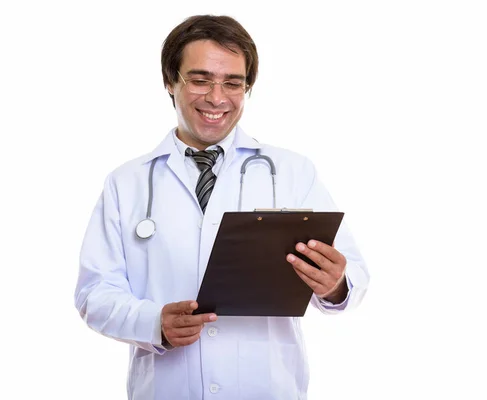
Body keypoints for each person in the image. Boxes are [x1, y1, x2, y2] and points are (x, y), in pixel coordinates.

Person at [74, 14, 369, 400]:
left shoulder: (292, 172)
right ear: (169, 81)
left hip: (267, 389)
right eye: (200, 80)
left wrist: (334, 285)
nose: (217, 98)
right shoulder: (126, 183)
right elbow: (94, 293)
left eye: (233, 83)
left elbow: (353, 276)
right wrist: (153, 323)